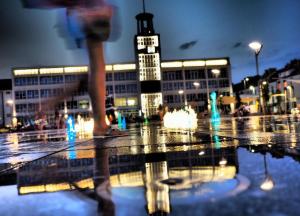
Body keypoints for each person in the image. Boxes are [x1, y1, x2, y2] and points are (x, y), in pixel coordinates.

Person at [22, 0, 126, 137]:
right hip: (86, 12)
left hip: (80, 14)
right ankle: (100, 125)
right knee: (97, 67)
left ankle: (47, 104)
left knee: (90, 75)